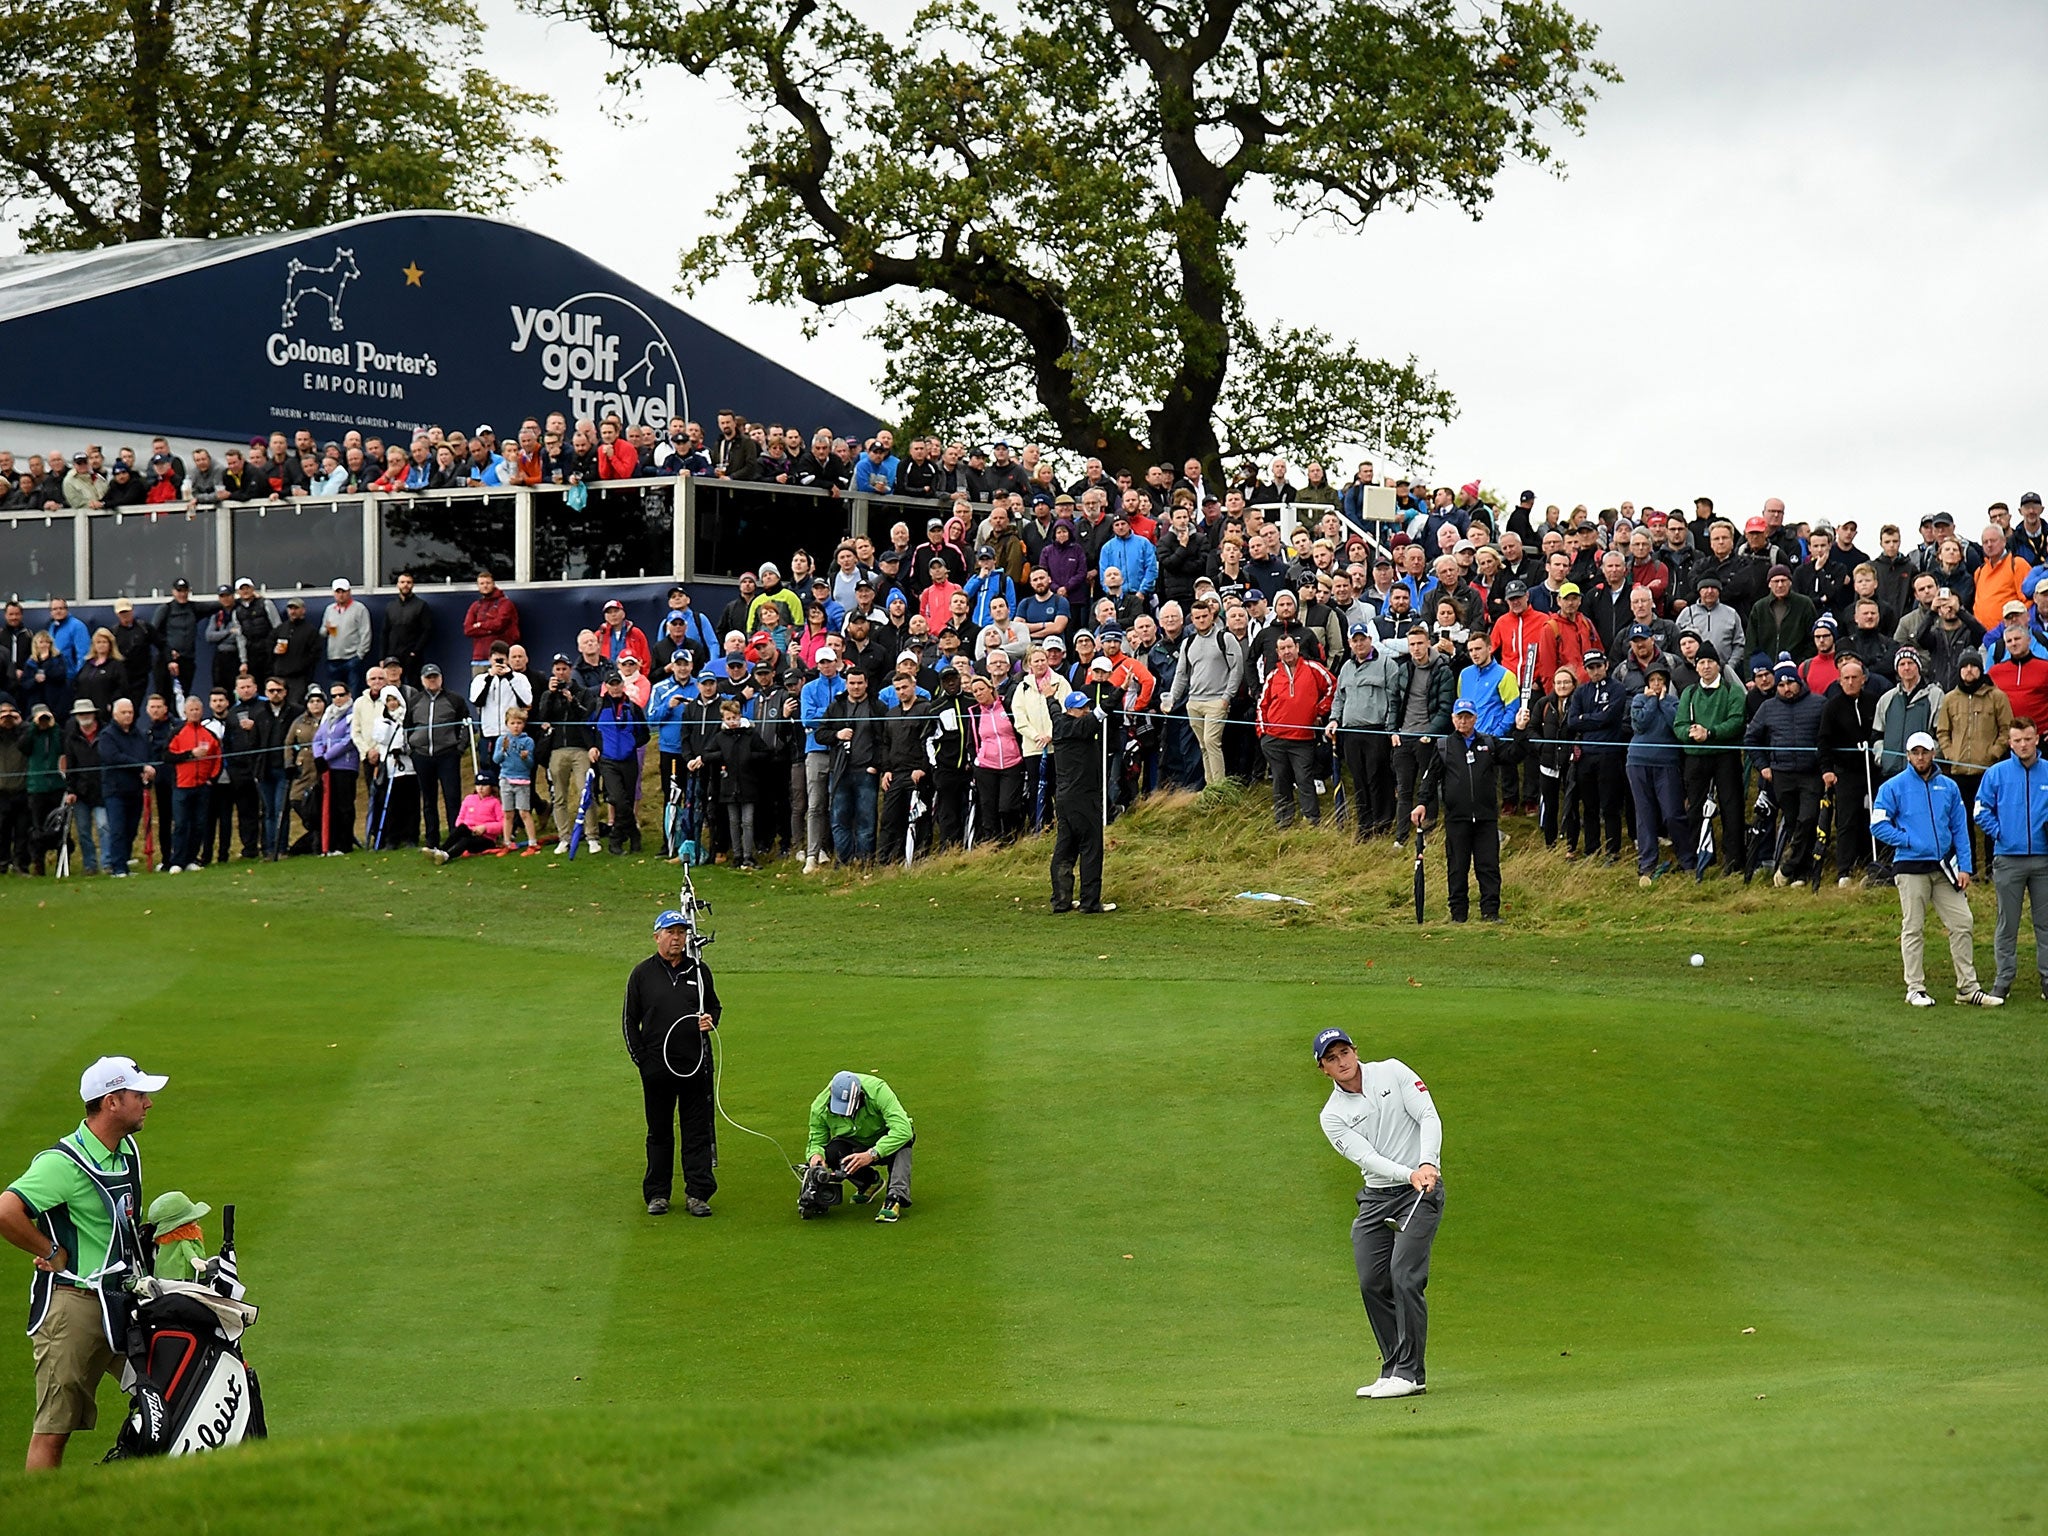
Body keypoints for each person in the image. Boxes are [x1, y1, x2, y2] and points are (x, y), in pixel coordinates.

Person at [0, 1054, 168, 1470]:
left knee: (167, 1396)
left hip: (123, 1302)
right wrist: (50, 1251)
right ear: (112, 1101)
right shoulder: (61, 1163)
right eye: (138, 1094)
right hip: (72, 1311)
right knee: (54, 1430)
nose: (147, 1103)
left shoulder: (126, 1149)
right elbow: (6, 1211)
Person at [1314, 1028, 1443, 1401]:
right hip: (1377, 1197)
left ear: (1355, 1050)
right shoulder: (1332, 1115)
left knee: (1404, 1274)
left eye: (1344, 1052)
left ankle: (1410, 1373)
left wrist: (1426, 1164)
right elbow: (1367, 1159)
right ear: (1324, 1069)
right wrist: (1409, 1172)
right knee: (1373, 1280)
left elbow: (1428, 1116)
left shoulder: (1392, 1071)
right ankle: (1391, 1368)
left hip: (1422, 1189)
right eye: (1332, 1059)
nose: (1342, 1062)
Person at [1872, 732, 1999, 1008]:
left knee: (1963, 922)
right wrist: (1907, 840)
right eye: (1915, 752)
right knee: (1913, 927)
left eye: (1925, 752)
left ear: (1933, 753)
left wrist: (1965, 866)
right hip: (1910, 867)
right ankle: (1915, 988)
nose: (1920, 757)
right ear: (1908, 755)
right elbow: (1878, 824)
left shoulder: (1949, 787)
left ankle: (1967, 988)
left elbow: (1960, 829)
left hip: (1944, 868)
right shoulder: (1893, 787)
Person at [620, 909, 720, 1217]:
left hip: (695, 1065)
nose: (677, 938)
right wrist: (642, 1061)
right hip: (657, 1070)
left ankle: (698, 1194)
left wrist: (710, 1021)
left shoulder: (699, 971)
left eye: (681, 932)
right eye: (670, 932)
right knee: (659, 1132)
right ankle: (658, 1194)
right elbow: (629, 1021)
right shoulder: (642, 974)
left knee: (697, 1132)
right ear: (657, 937)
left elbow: (714, 1007)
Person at [1410, 698, 1522, 922]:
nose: (1463, 721)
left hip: (1486, 818)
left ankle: (1490, 912)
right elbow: (1430, 778)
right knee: (1457, 868)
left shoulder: (1488, 743)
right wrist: (1422, 802)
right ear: (1453, 718)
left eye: (1468, 717)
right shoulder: (1443, 746)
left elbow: (1514, 756)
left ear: (1475, 718)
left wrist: (1520, 730)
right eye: (1459, 716)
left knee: (1488, 867)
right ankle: (1458, 914)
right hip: (1457, 818)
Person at [1973, 718, 2048, 1003]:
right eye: (2017, 740)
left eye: (2028, 739)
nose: (2023, 744)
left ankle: (2047, 979)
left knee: (2045, 924)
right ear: (2010, 743)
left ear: (2037, 738)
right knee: (2008, 924)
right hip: (2008, 859)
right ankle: (2003, 980)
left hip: (2044, 860)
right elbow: (1981, 810)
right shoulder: (1996, 774)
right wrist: (2001, 834)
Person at [806, 1071, 916, 1224]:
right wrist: (816, 1156)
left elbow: (903, 1130)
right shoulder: (819, 1107)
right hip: (853, 1141)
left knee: (904, 1141)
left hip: (885, 1138)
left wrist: (872, 1154)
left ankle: (895, 1197)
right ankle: (869, 1182)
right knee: (830, 1153)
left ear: (860, 1095)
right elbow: (816, 1141)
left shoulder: (878, 1090)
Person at [1050, 689, 1114, 913]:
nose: (1086, 711)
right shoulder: (1080, 726)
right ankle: (1089, 902)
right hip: (1084, 798)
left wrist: (1050, 696)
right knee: (1091, 848)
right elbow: (1104, 710)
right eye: (1081, 708)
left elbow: (1053, 711)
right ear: (1071, 710)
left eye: (1087, 706)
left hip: (1064, 798)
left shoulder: (1059, 723)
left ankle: (1061, 900)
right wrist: (1121, 689)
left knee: (1065, 849)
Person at [145, 1190, 212, 1285]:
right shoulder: (183, 1239)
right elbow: (188, 1251)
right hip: (180, 1280)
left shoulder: (164, 1243)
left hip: (163, 1277)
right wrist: (195, 1260)